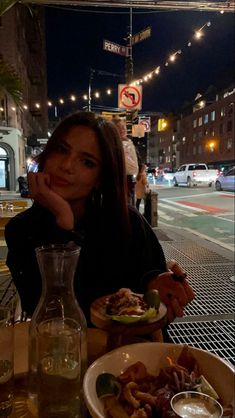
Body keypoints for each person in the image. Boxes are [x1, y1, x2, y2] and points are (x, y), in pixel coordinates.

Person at [5, 111, 194, 328]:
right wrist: (64, 222)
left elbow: (150, 287)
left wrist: (157, 284)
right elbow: (52, 314)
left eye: (87, 162)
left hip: (132, 352)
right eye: (61, 150)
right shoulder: (21, 230)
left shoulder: (128, 221)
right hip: (69, 355)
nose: (67, 166)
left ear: (100, 178)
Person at [112, 117, 139, 205]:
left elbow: (136, 165)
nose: (123, 129)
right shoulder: (113, 144)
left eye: (124, 126)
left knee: (128, 204)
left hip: (129, 181)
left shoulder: (129, 143)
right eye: (119, 127)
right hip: (118, 181)